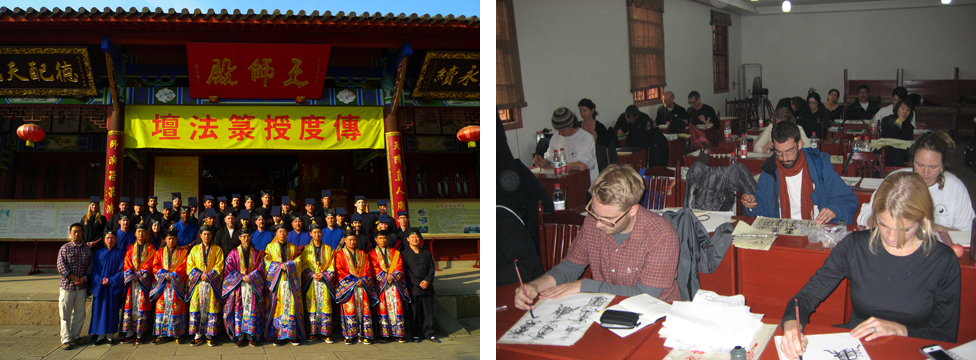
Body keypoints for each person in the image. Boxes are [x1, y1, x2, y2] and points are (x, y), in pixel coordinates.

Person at [779, 172, 961, 360]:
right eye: (883, 225)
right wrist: (793, 324)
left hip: (912, 351)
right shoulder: (855, 246)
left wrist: (900, 330)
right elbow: (805, 297)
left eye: (904, 229)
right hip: (857, 347)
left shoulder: (943, 261)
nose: (891, 238)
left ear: (923, 220)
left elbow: (945, 336)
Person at [514, 164, 682, 310]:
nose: (597, 224)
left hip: (656, 316)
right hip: (608, 309)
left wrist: (584, 286)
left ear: (633, 210)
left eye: (607, 219)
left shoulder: (661, 235)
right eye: (594, 212)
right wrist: (534, 286)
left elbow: (645, 297)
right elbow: (569, 267)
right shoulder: (593, 222)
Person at [857, 131, 975, 232]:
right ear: (912, 160)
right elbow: (864, 215)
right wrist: (886, 223)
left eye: (933, 167)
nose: (925, 172)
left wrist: (938, 228)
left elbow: (967, 231)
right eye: (920, 165)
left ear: (943, 165)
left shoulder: (955, 187)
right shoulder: (896, 180)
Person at [742, 121, 858, 224]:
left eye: (789, 151)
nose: (785, 158)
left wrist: (834, 210)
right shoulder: (770, 170)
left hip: (816, 229)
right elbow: (765, 211)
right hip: (782, 232)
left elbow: (848, 199)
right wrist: (753, 204)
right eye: (779, 152)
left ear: (800, 144)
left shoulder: (819, 164)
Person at [532, 107, 599, 185]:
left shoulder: (585, 138)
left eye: (562, 130)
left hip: (584, 184)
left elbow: (582, 166)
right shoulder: (556, 136)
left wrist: (559, 165)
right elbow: (550, 158)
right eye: (557, 130)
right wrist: (542, 162)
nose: (559, 133)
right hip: (563, 182)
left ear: (571, 124)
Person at [222, 228, 265, 347]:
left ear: (251, 238)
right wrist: (241, 277)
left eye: (248, 236)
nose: (246, 238)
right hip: (238, 287)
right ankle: (240, 336)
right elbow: (228, 269)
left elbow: (260, 269)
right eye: (243, 236)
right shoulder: (233, 253)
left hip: (251, 285)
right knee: (238, 310)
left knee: (251, 310)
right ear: (239, 238)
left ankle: (250, 335)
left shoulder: (256, 253)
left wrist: (251, 277)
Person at [264, 223, 306, 346]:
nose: (282, 233)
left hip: (290, 281)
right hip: (277, 282)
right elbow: (266, 262)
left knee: (291, 305)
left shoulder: (293, 247)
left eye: (284, 231)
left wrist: (287, 266)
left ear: (287, 234)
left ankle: (291, 335)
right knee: (277, 307)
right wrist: (278, 266)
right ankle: (276, 335)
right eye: (279, 232)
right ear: (276, 234)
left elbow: (299, 262)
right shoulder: (270, 247)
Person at [335, 229, 377, 345]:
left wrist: (362, 280)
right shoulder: (339, 255)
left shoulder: (363, 254)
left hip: (362, 287)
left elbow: (368, 270)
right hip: (348, 288)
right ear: (345, 240)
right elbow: (339, 271)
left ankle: (364, 334)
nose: (352, 242)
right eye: (350, 240)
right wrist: (354, 281)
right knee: (349, 309)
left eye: (354, 240)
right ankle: (349, 334)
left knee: (364, 310)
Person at [186, 225, 224, 346]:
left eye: (209, 234)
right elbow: (190, 265)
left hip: (211, 284)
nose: (206, 236)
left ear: (212, 235)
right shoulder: (194, 250)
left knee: (211, 307)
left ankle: (209, 334)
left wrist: (209, 275)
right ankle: (198, 334)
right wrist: (199, 275)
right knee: (197, 306)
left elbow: (220, 265)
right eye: (204, 234)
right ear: (200, 236)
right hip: (198, 284)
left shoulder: (218, 249)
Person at [56, 223, 92, 350]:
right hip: (67, 286)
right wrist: (74, 278)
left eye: (79, 231)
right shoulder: (64, 248)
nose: (77, 234)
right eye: (74, 231)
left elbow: (90, 266)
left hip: (81, 287)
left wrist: (84, 278)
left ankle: (76, 335)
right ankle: (66, 338)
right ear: (70, 233)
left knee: (79, 313)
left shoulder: (87, 249)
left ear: (82, 233)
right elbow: (61, 266)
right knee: (65, 313)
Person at [150, 230, 189, 345]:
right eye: (169, 238)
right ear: (165, 240)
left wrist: (172, 275)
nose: (171, 241)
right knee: (162, 307)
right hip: (163, 285)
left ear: (177, 239)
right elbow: (155, 266)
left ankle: (177, 333)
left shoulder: (183, 253)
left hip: (176, 286)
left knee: (176, 307)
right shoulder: (159, 252)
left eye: (173, 238)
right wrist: (164, 275)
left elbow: (184, 267)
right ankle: (162, 333)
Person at [300, 224, 337, 343]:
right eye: (314, 232)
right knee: (311, 305)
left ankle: (326, 332)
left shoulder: (328, 249)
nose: (317, 234)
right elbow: (303, 265)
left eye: (319, 232)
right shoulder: (305, 249)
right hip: (311, 281)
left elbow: (332, 266)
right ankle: (312, 332)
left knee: (325, 304)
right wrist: (311, 274)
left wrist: (324, 275)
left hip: (324, 281)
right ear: (310, 234)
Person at [370, 229, 409, 343]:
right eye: (380, 238)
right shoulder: (371, 254)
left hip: (394, 285)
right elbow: (374, 267)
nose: (383, 240)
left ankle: (399, 333)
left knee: (397, 307)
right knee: (382, 308)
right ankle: (384, 333)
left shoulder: (395, 252)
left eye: (384, 238)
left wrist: (393, 276)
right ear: (376, 240)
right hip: (381, 286)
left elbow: (399, 266)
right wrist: (385, 277)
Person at [88, 230, 125, 346]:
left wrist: (111, 280)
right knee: (99, 311)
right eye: (108, 238)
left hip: (112, 287)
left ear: (116, 240)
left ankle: (110, 336)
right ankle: (100, 335)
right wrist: (100, 280)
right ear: (104, 240)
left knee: (112, 311)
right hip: (100, 287)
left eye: (112, 238)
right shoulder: (98, 253)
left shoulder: (120, 253)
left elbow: (122, 270)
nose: (110, 240)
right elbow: (94, 270)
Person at [402, 228, 439, 343]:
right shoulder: (404, 254)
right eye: (412, 237)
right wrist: (418, 282)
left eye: (417, 237)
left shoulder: (427, 254)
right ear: (408, 239)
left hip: (427, 288)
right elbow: (406, 271)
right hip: (414, 288)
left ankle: (429, 333)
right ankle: (416, 334)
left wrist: (427, 281)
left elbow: (432, 269)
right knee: (414, 312)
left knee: (428, 312)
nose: (415, 239)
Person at [121, 223, 156, 345]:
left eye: (143, 231)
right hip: (132, 283)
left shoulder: (151, 248)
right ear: (135, 233)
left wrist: (139, 275)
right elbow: (127, 262)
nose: (141, 234)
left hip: (143, 283)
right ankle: (129, 332)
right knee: (130, 305)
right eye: (138, 231)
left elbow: (151, 264)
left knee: (142, 306)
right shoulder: (130, 248)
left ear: (146, 234)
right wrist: (132, 275)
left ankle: (140, 333)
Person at [879, 99, 916, 166]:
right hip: (889, 152)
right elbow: (887, 136)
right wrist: (898, 122)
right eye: (903, 108)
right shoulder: (886, 120)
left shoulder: (909, 126)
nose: (905, 112)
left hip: (903, 154)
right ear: (897, 108)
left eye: (908, 110)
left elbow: (909, 142)